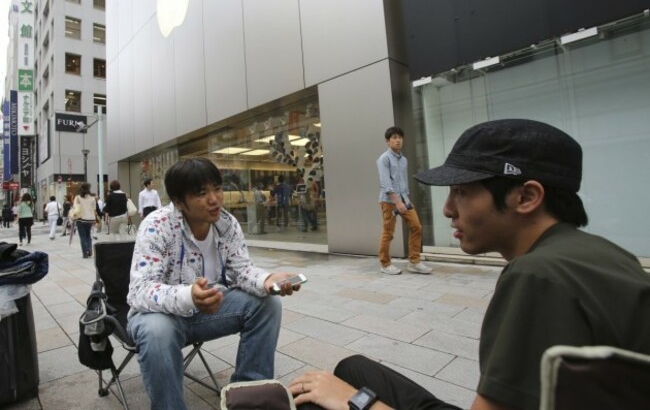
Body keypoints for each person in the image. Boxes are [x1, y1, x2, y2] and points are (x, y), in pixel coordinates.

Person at [291, 119, 650, 410]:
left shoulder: (537, 276)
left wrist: (355, 403)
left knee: (319, 400)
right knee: (352, 367)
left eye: (461, 192)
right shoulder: (607, 254)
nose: (447, 209)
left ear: (525, 196)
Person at [126, 157, 303, 410]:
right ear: (179, 202)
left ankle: (249, 398)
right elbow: (140, 290)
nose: (214, 199)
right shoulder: (157, 226)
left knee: (267, 304)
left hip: (206, 314)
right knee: (158, 331)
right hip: (160, 317)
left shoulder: (226, 224)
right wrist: (190, 295)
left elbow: (242, 270)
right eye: (201, 193)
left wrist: (267, 279)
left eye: (217, 188)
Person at [376, 126, 431, 275]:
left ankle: (414, 262)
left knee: (416, 227)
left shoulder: (404, 160)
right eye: (394, 138)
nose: (398, 140)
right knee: (388, 233)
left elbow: (403, 182)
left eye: (400, 137)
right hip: (389, 201)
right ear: (387, 141)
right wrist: (397, 201)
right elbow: (385, 183)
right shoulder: (384, 159)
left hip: (404, 199)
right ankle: (385, 264)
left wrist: (406, 199)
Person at [74, 183, 98, 258]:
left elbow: (75, 208)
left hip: (81, 219)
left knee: (82, 236)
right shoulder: (92, 198)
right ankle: (89, 250)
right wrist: (96, 219)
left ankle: (85, 252)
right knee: (88, 235)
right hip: (90, 219)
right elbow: (94, 209)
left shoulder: (78, 197)